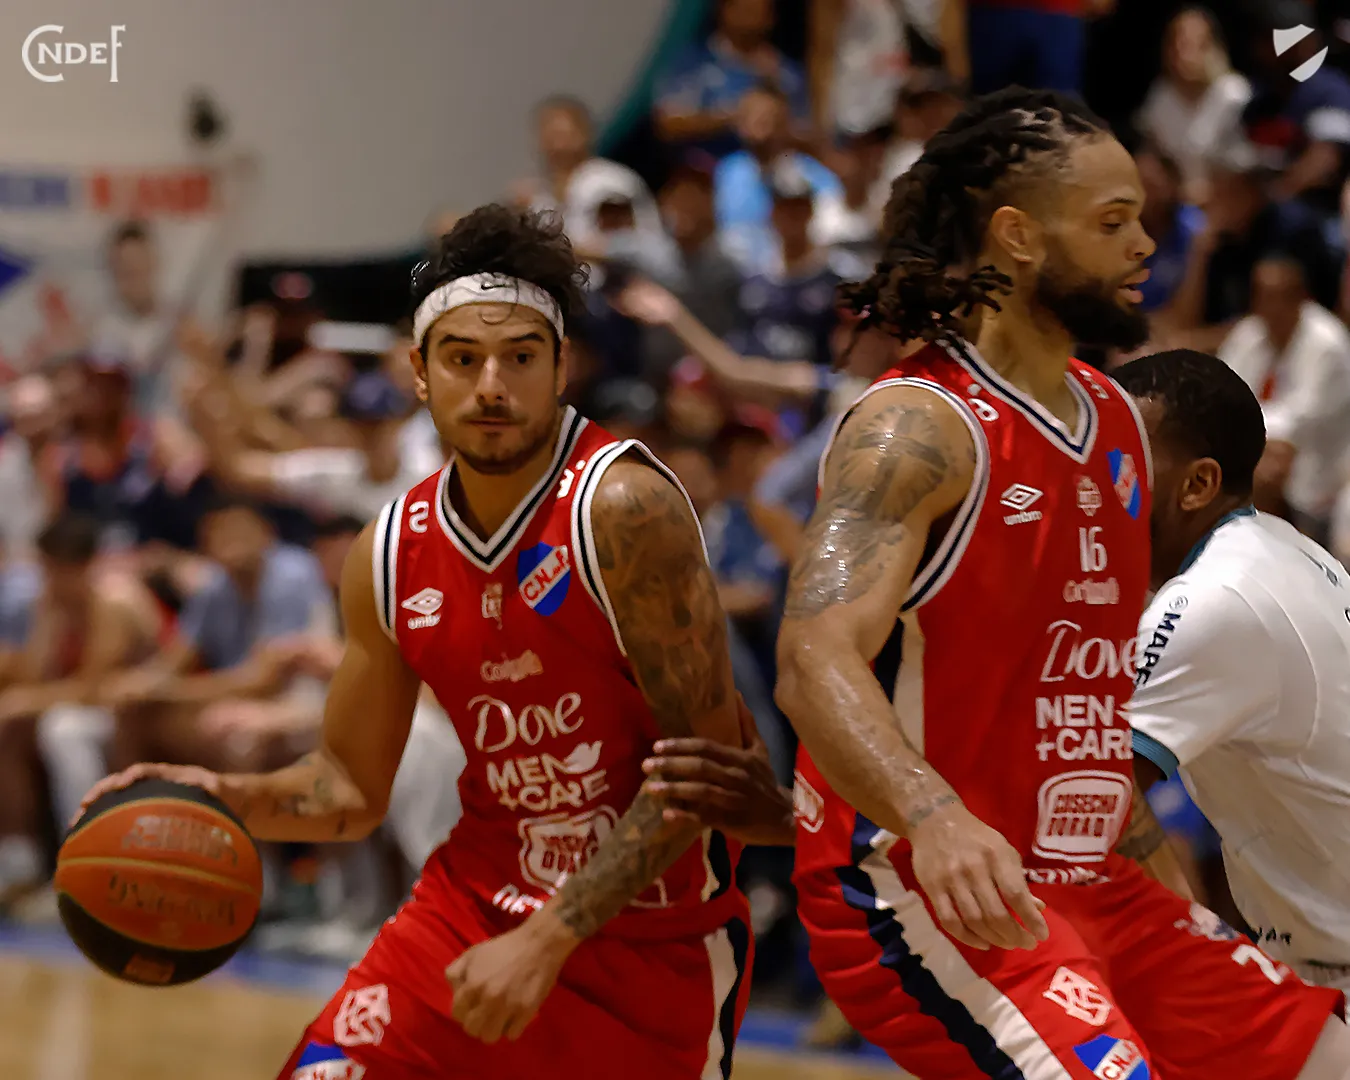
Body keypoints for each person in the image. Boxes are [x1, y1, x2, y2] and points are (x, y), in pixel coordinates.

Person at [81, 205, 753, 1080]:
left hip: (650, 944)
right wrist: (222, 796)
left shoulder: (624, 510)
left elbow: (710, 773)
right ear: (419, 373)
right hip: (466, 911)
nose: (491, 386)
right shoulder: (391, 550)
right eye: (462, 359)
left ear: (562, 369)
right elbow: (350, 786)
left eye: (520, 357)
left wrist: (550, 934)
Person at [767, 86, 1346, 1080]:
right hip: (928, 887)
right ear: (1019, 237)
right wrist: (933, 815)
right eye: (1113, 222)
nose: (1145, 244)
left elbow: (1085, 720)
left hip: (1093, 884)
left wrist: (1179, 911)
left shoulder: (1114, 423)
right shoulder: (916, 427)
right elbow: (810, 657)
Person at [1114, 349, 1350, 1005]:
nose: (1098, 489)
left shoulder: (1213, 603)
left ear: (1197, 484)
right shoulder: (1283, 549)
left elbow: (1089, 799)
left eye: (1121, 465)